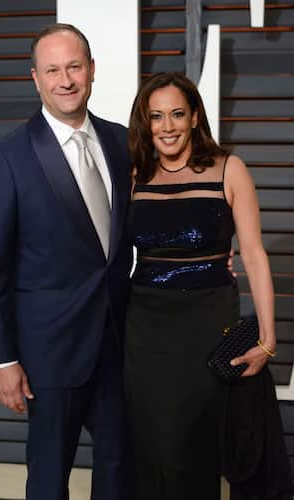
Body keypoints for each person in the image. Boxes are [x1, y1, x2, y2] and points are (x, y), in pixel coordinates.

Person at [0, 23, 132, 500]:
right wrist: (3, 359)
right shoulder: (7, 157)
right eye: (53, 70)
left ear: (92, 71)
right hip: (48, 355)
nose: (65, 80)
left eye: (74, 67)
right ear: (35, 79)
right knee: (48, 477)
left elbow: (131, 232)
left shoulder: (122, 143)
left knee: (120, 468)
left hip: (118, 344)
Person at [125, 72, 277, 499]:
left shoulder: (230, 169)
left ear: (194, 117)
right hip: (144, 328)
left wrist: (268, 337)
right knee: (151, 445)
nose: (167, 126)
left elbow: (254, 254)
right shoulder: (134, 173)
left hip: (208, 324)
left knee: (194, 444)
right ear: (145, 122)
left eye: (177, 114)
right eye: (156, 117)